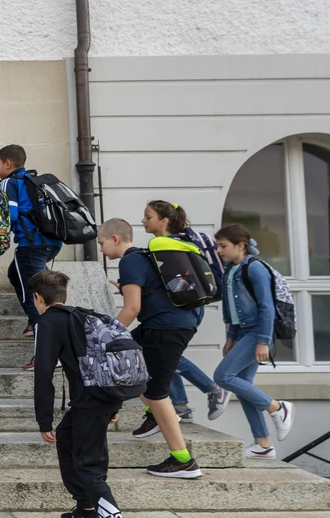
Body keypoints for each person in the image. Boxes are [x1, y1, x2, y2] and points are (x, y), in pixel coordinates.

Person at [31, 270, 153, 518]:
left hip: (90, 403)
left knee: (89, 469)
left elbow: (43, 374)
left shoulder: (48, 322)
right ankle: (86, 509)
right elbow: (112, 364)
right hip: (99, 399)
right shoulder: (83, 316)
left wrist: (43, 419)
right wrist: (114, 406)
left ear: (38, 298)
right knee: (66, 436)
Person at [97, 217, 203, 479]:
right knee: (131, 362)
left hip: (165, 328)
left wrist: (105, 338)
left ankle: (183, 461)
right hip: (168, 324)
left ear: (115, 239)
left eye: (101, 243)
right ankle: (153, 415)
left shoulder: (130, 260)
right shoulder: (143, 257)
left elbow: (132, 309)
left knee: (156, 393)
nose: (100, 250)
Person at [143, 201, 230, 422]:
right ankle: (180, 405)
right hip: (190, 306)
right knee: (165, 355)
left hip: (182, 309)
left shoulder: (163, 244)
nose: (143, 221)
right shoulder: (182, 242)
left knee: (165, 355)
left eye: (148, 216)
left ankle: (213, 389)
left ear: (163, 221)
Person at [213, 224, 294, 458]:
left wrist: (262, 341)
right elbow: (233, 309)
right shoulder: (230, 270)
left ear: (241, 246)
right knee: (244, 388)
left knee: (223, 376)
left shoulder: (255, 268)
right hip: (242, 333)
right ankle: (263, 444)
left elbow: (266, 308)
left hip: (257, 332)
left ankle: (278, 407)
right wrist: (230, 338)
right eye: (218, 246)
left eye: (223, 246)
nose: (219, 251)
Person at [0, 144, 63, 370]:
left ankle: (43, 354)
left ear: (7, 164)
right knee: (14, 275)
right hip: (51, 243)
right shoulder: (33, 180)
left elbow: (9, 214)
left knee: (33, 296)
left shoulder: (9, 182)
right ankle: (33, 323)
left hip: (32, 245)